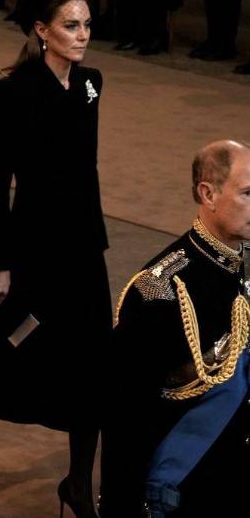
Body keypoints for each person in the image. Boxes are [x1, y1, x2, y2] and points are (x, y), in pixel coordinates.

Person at [0, 0, 111, 517]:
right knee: (5, 353)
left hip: (84, 250)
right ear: (42, 30)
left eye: (87, 24)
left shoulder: (92, 85)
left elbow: (83, 171)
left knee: (91, 366)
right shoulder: (13, 93)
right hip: (31, 252)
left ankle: (77, 484)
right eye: (70, 25)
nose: (82, 34)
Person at [100, 140, 250, 518]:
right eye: (248, 193)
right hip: (187, 484)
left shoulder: (239, 265)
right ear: (208, 193)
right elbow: (124, 417)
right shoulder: (160, 289)